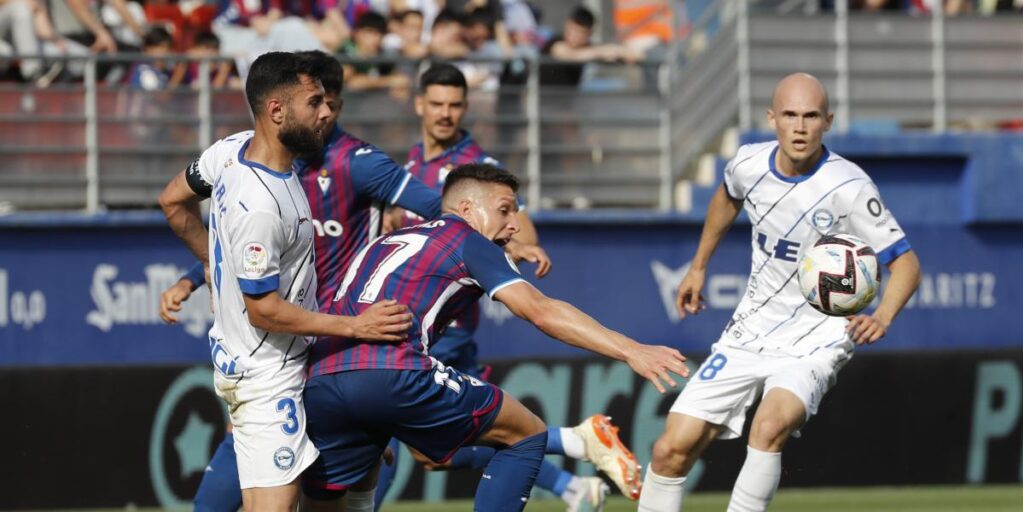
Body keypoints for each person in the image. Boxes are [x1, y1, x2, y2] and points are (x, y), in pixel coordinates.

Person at [302, 163, 691, 512]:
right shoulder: (466, 238)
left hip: (321, 381)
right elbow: (540, 311)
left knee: (339, 495)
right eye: (505, 210)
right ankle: (577, 444)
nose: (514, 225)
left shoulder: (386, 241)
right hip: (391, 372)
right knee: (525, 434)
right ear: (467, 209)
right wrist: (631, 349)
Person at [637, 73, 922, 512]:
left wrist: (882, 315)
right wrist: (698, 267)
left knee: (768, 426)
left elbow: (906, 263)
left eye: (811, 116)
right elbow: (727, 197)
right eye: (790, 115)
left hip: (819, 339)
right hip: (750, 332)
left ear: (828, 121)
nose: (800, 126)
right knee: (670, 451)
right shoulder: (748, 164)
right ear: (772, 119)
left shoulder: (849, 186)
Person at [156, 51, 414, 512]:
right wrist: (358, 327)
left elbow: (173, 201)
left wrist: (218, 271)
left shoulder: (229, 152)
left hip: (284, 365)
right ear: (277, 111)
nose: (326, 113)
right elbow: (265, 309)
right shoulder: (261, 205)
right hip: (268, 380)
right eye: (314, 102)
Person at [377, 63, 641, 510]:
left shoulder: (477, 168)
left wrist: (525, 247)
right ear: (419, 104)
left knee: (384, 433)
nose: (445, 113)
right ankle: (573, 467)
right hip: (413, 320)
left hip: (441, 326)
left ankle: (574, 452)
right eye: (437, 103)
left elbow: (518, 225)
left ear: (465, 109)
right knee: (431, 451)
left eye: (455, 105)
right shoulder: (413, 163)